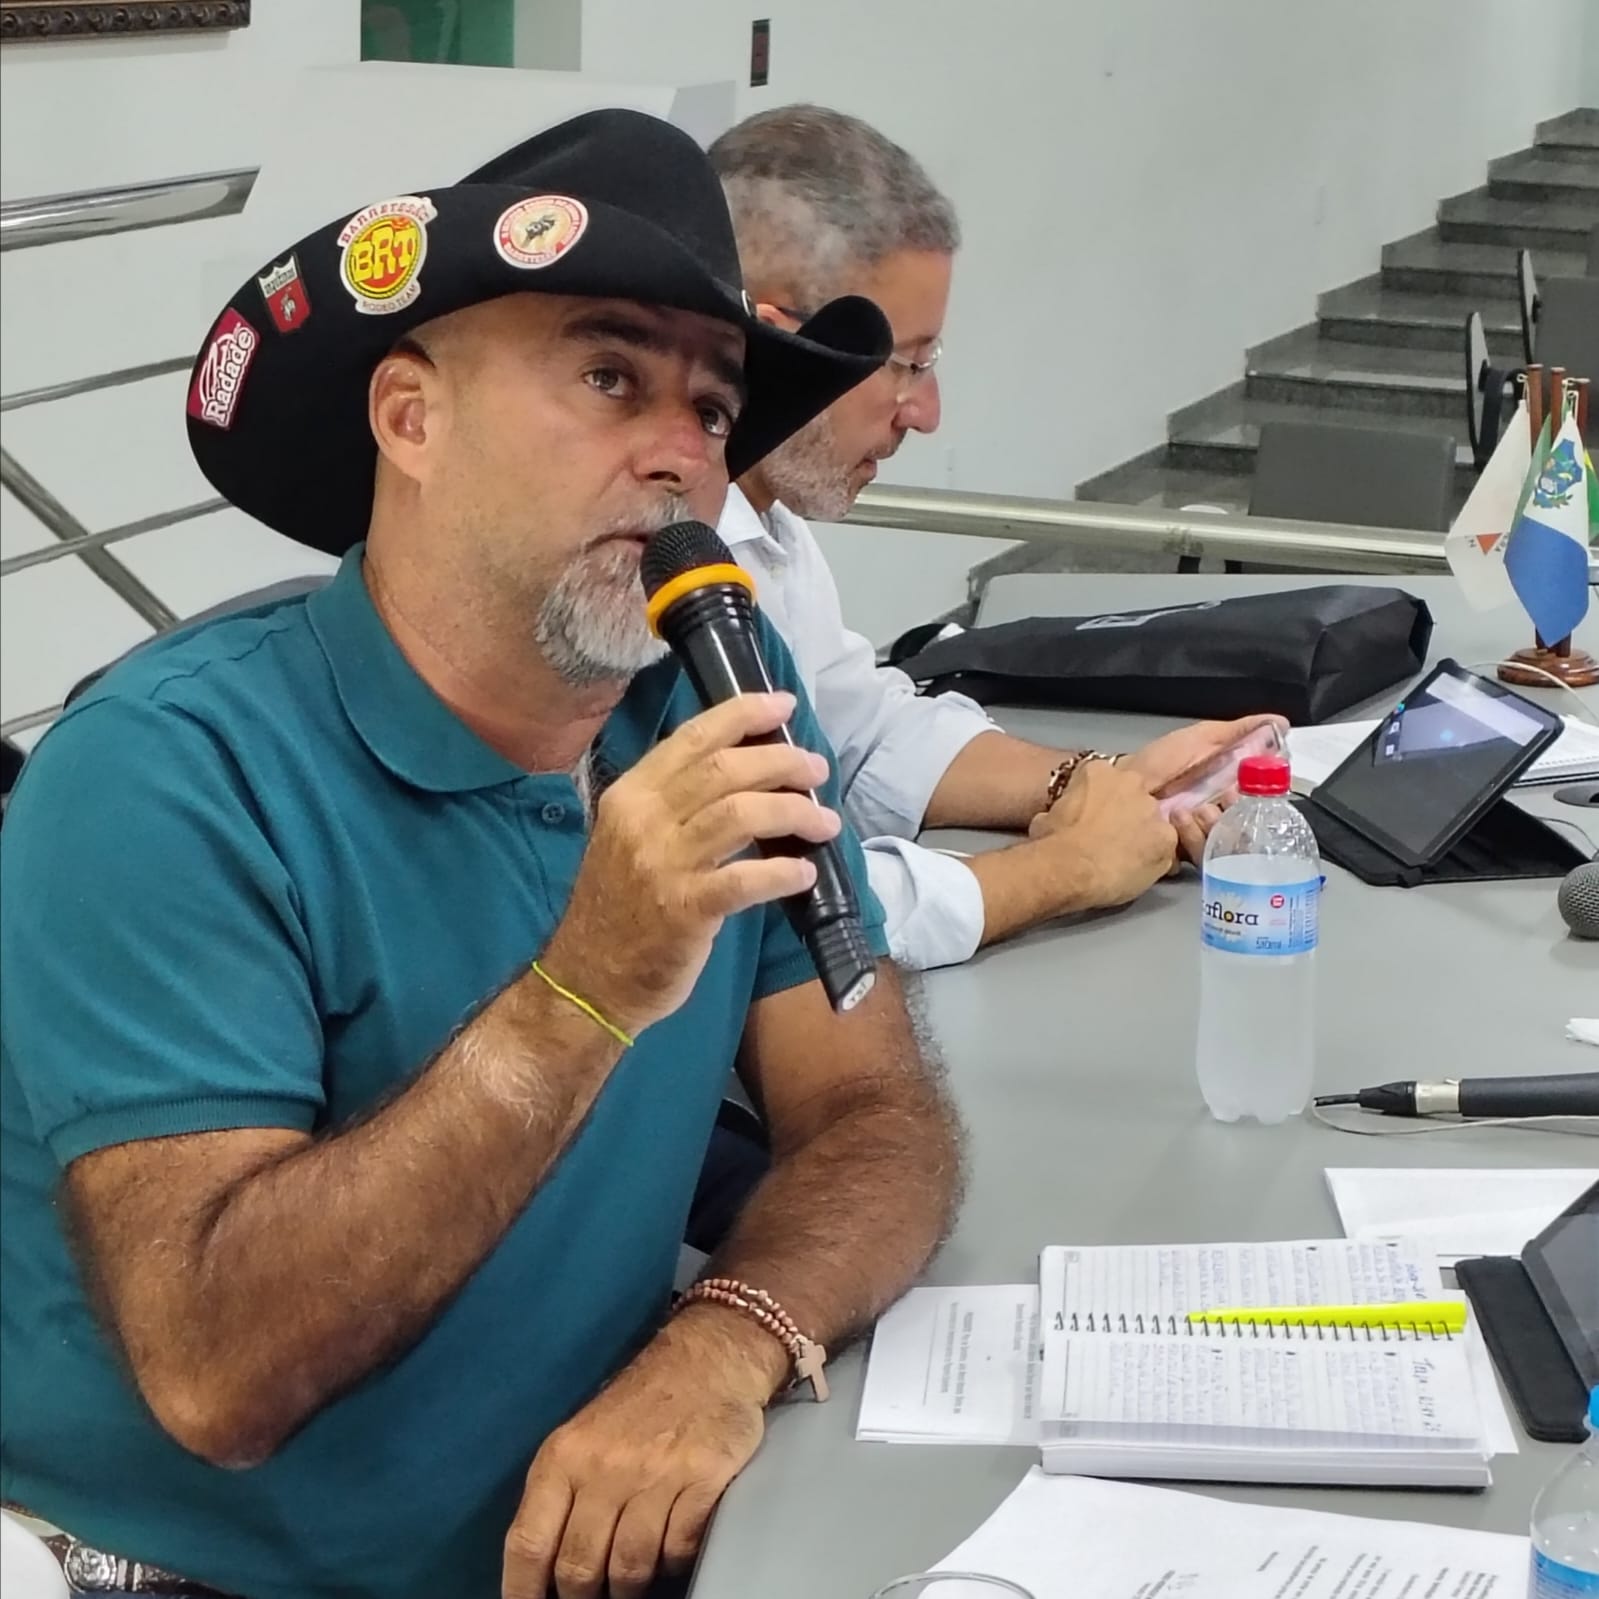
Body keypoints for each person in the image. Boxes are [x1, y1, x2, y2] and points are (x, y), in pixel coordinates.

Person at [0, 109, 964, 1599]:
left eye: (714, 411)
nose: (680, 458)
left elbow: (873, 1108)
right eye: (609, 377)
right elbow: (217, 1372)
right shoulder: (166, 773)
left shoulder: (709, 689)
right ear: (410, 418)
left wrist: (722, 1344)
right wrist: (590, 982)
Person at [708, 106, 1281, 970]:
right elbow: (761, 901)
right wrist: (1062, 870)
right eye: (905, 364)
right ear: (777, 340)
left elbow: (861, 733)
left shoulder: (764, 522)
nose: (925, 414)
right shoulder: (649, 565)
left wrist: (1105, 781)